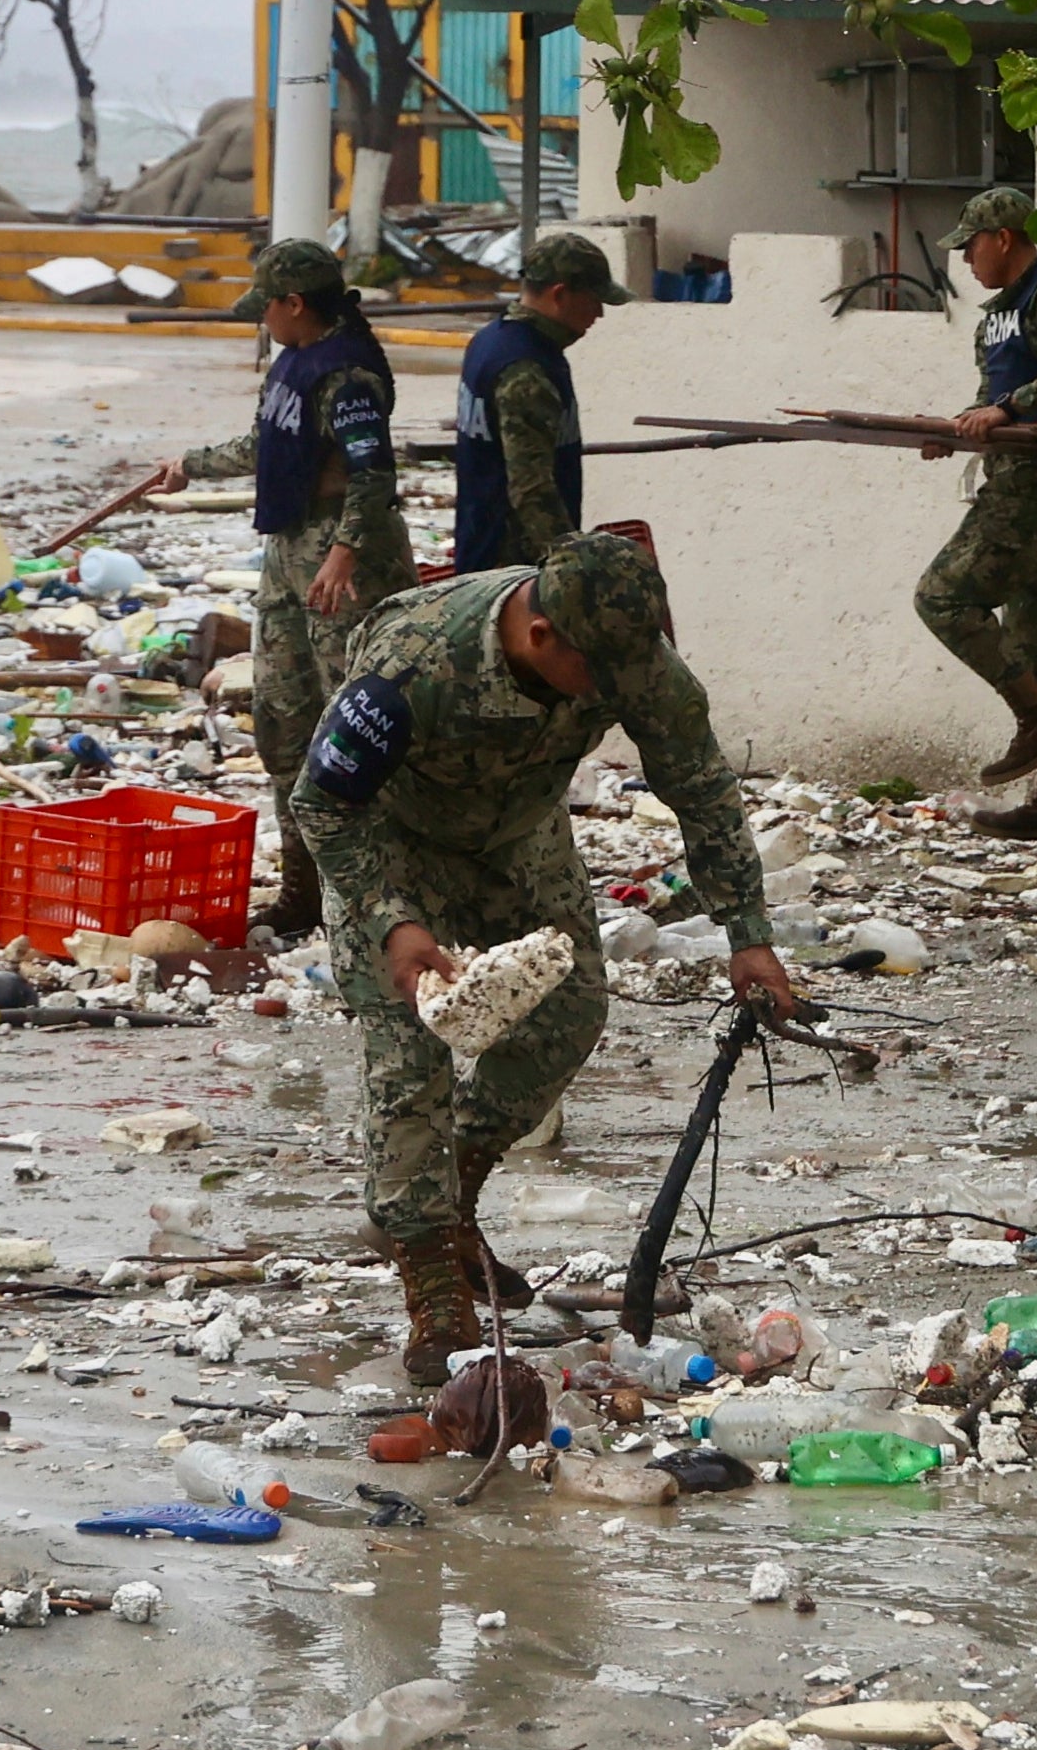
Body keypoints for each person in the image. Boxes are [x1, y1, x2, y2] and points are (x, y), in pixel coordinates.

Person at [294, 530, 792, 1380]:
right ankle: (432, 1286)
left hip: (518, 835)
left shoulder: (628, 658)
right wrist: (391, 921)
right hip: (391, 844)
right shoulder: (412, 662)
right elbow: (323, 802)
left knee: (568, 1011)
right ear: (539, 635)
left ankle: (448, 1194)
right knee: (410, 1053)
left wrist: (746, 932)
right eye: (597, 673)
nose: (616, 691)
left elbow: (700, 783)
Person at [143, 235, 407, 942]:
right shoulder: (292, 361)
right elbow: (267, 445)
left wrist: (345, 553)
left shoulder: (349, 376)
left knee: (354, 723)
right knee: (282, 718)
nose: (261, 318)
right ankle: (303, 888)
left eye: (267, 306)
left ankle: (377, 894)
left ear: (294, 303)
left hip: (341, 560)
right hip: (289, 549)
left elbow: (374, 474)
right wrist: (191, 465)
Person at [912, 184, 1037, 837]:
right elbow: (990, 401)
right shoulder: (996, 316)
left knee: (942, 596)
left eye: (970, 245)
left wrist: (1009, 408)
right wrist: (959, 431)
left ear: (1003, 238)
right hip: (1018, 478)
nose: (964, 260)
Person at [449, 232, 619, 569]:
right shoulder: (526, 371)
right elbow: (531, 489)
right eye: (593, 300)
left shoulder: (491, 341)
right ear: (560, 295)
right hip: (514, 567)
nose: (599, 313)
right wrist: (569, 565)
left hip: (481, 551)